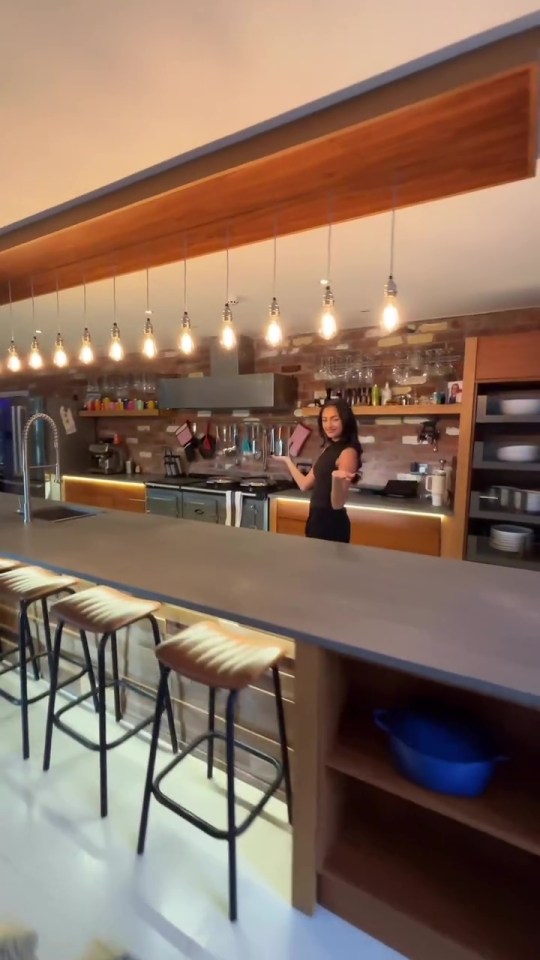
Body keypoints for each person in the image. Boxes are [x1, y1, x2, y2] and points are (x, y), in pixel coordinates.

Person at [274, 399, 362, 543]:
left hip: (332, 524)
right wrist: (287, 460)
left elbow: (337, 503)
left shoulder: (348, 452)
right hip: (315, 519)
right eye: (324, 420)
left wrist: (336, 478)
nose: (328, 425)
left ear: (345, 421)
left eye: (335, 419)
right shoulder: (328, 448)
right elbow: (304, 484)